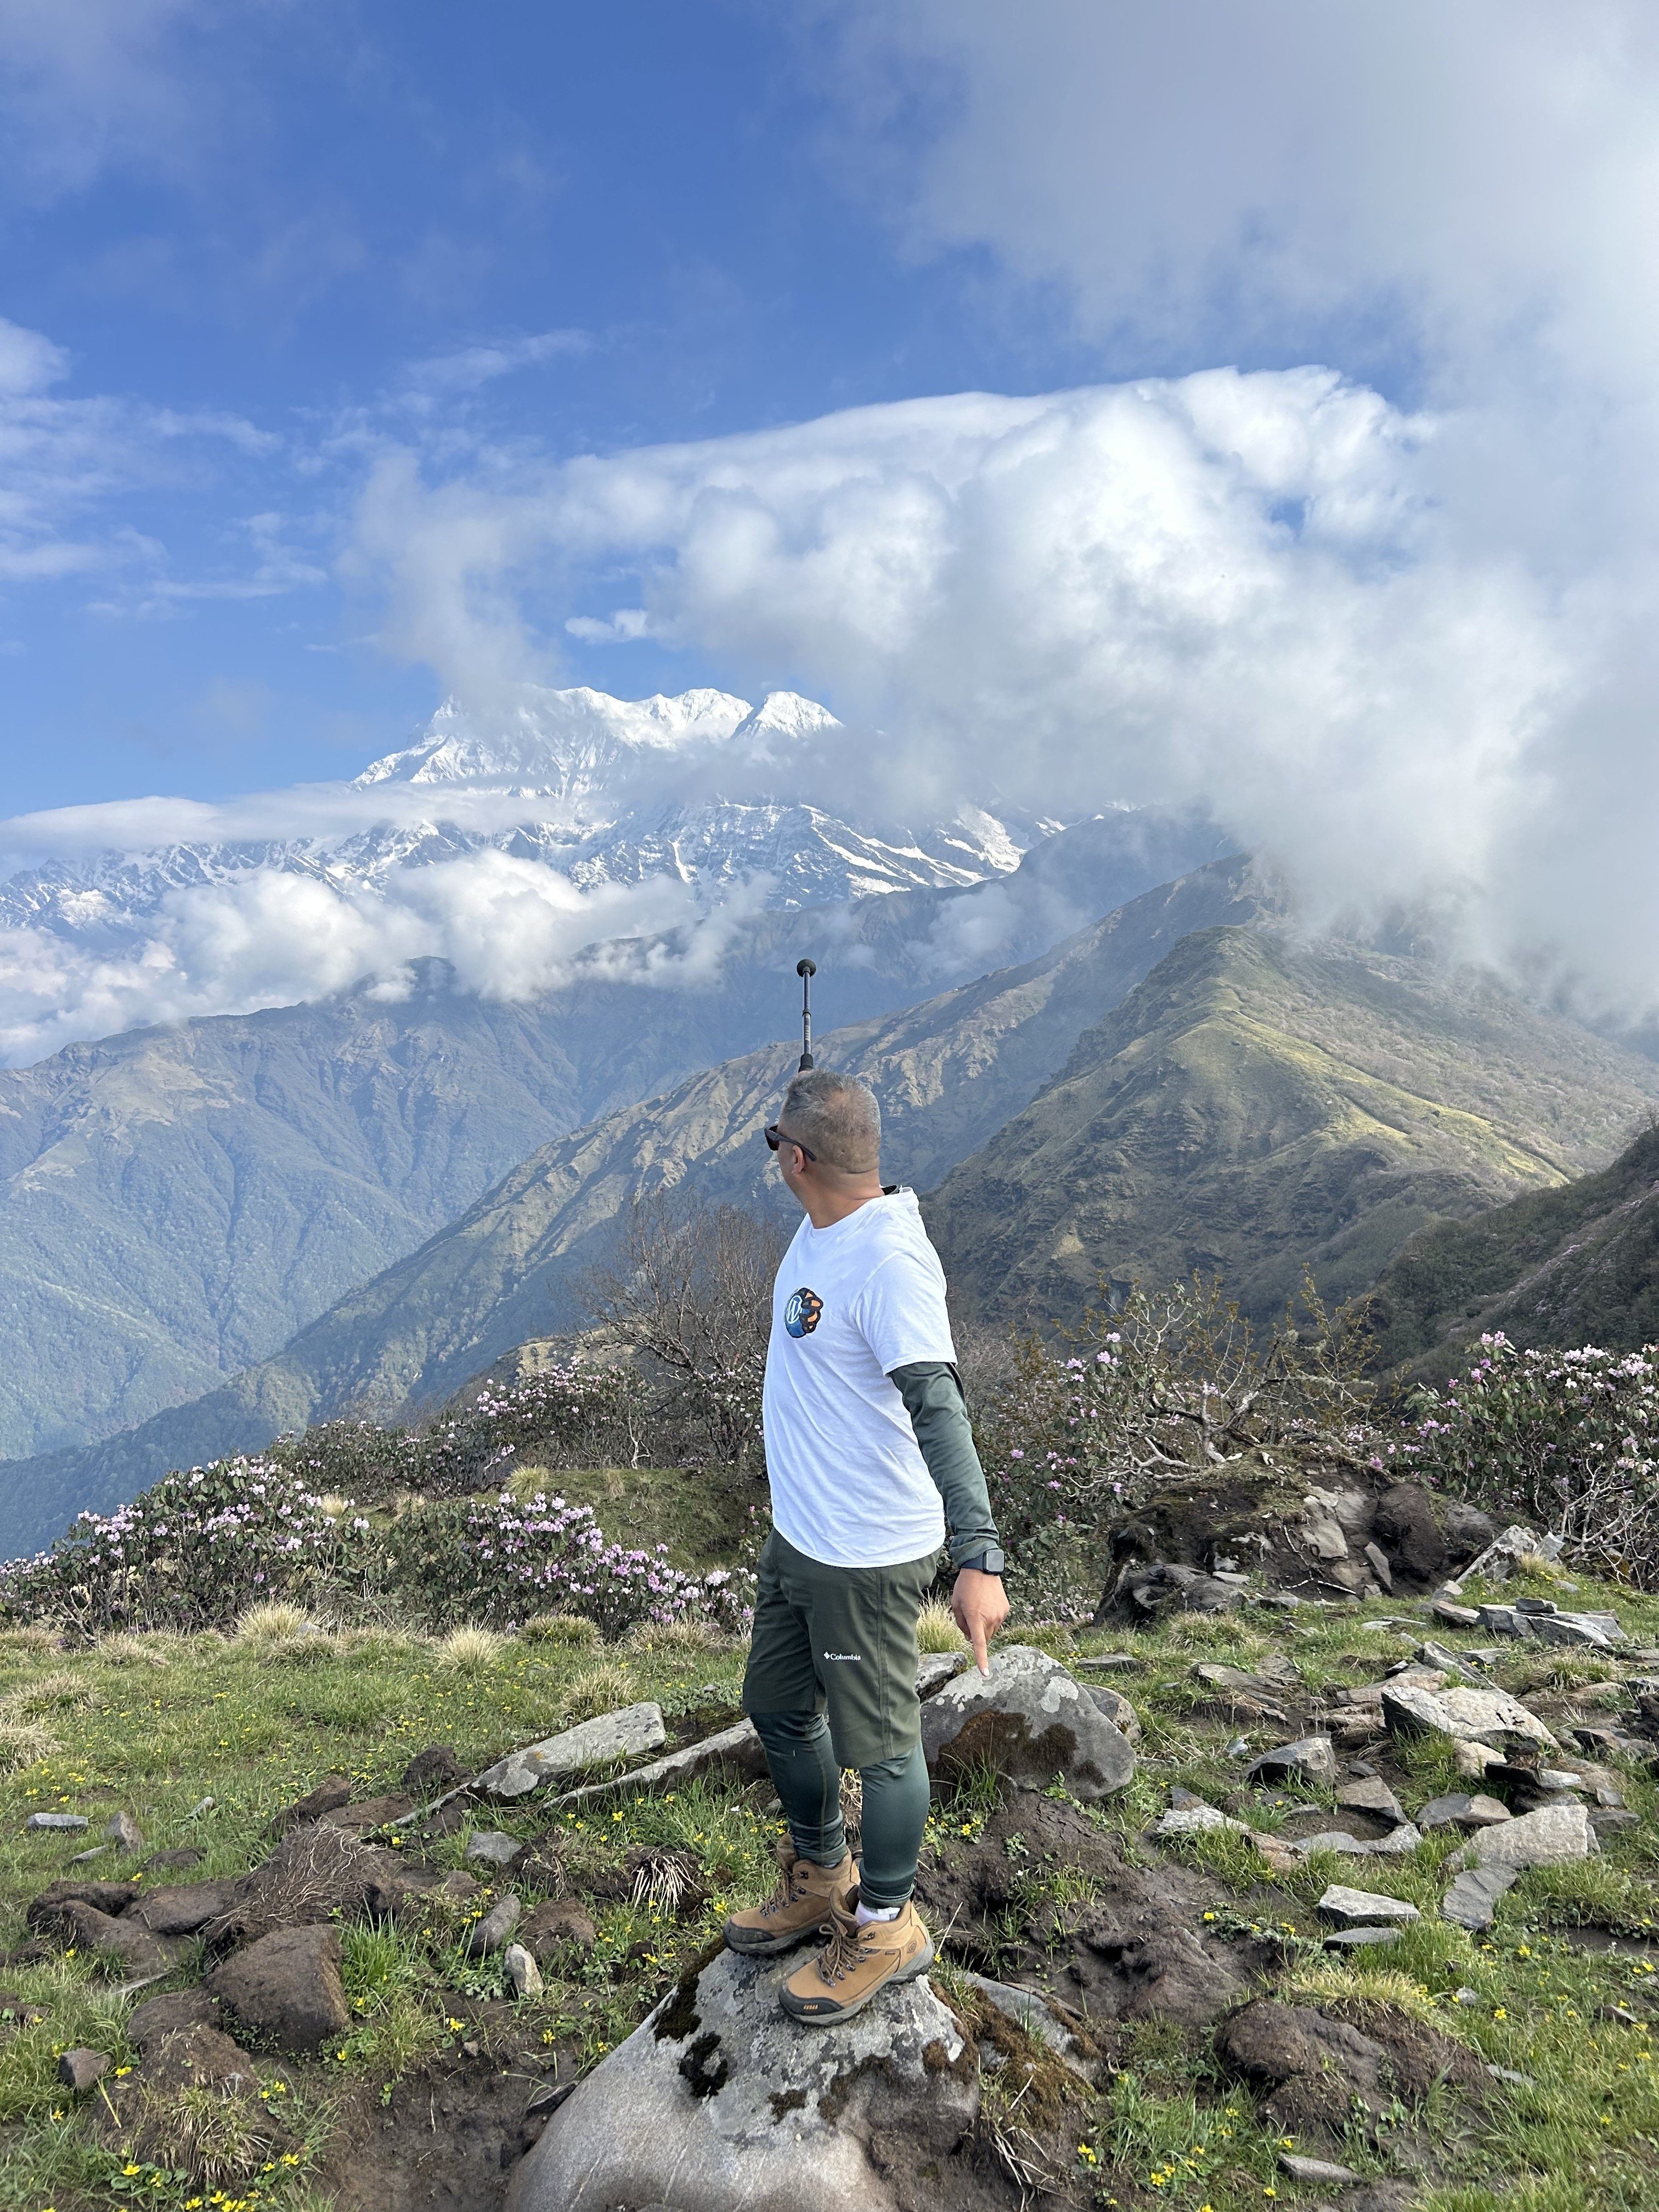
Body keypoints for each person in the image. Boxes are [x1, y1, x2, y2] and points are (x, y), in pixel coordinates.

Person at [723, 1066, 1009, 2022]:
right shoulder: (829, 1220)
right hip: (801, 1537)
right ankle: (819, 1874)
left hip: (867, 1554)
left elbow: (941, 1407)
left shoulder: (889, 1265)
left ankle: (886, 1922)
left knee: (880, 1750)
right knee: (773, 1704)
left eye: (778, 1146)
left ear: (796, 1159)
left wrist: (979, 1557)